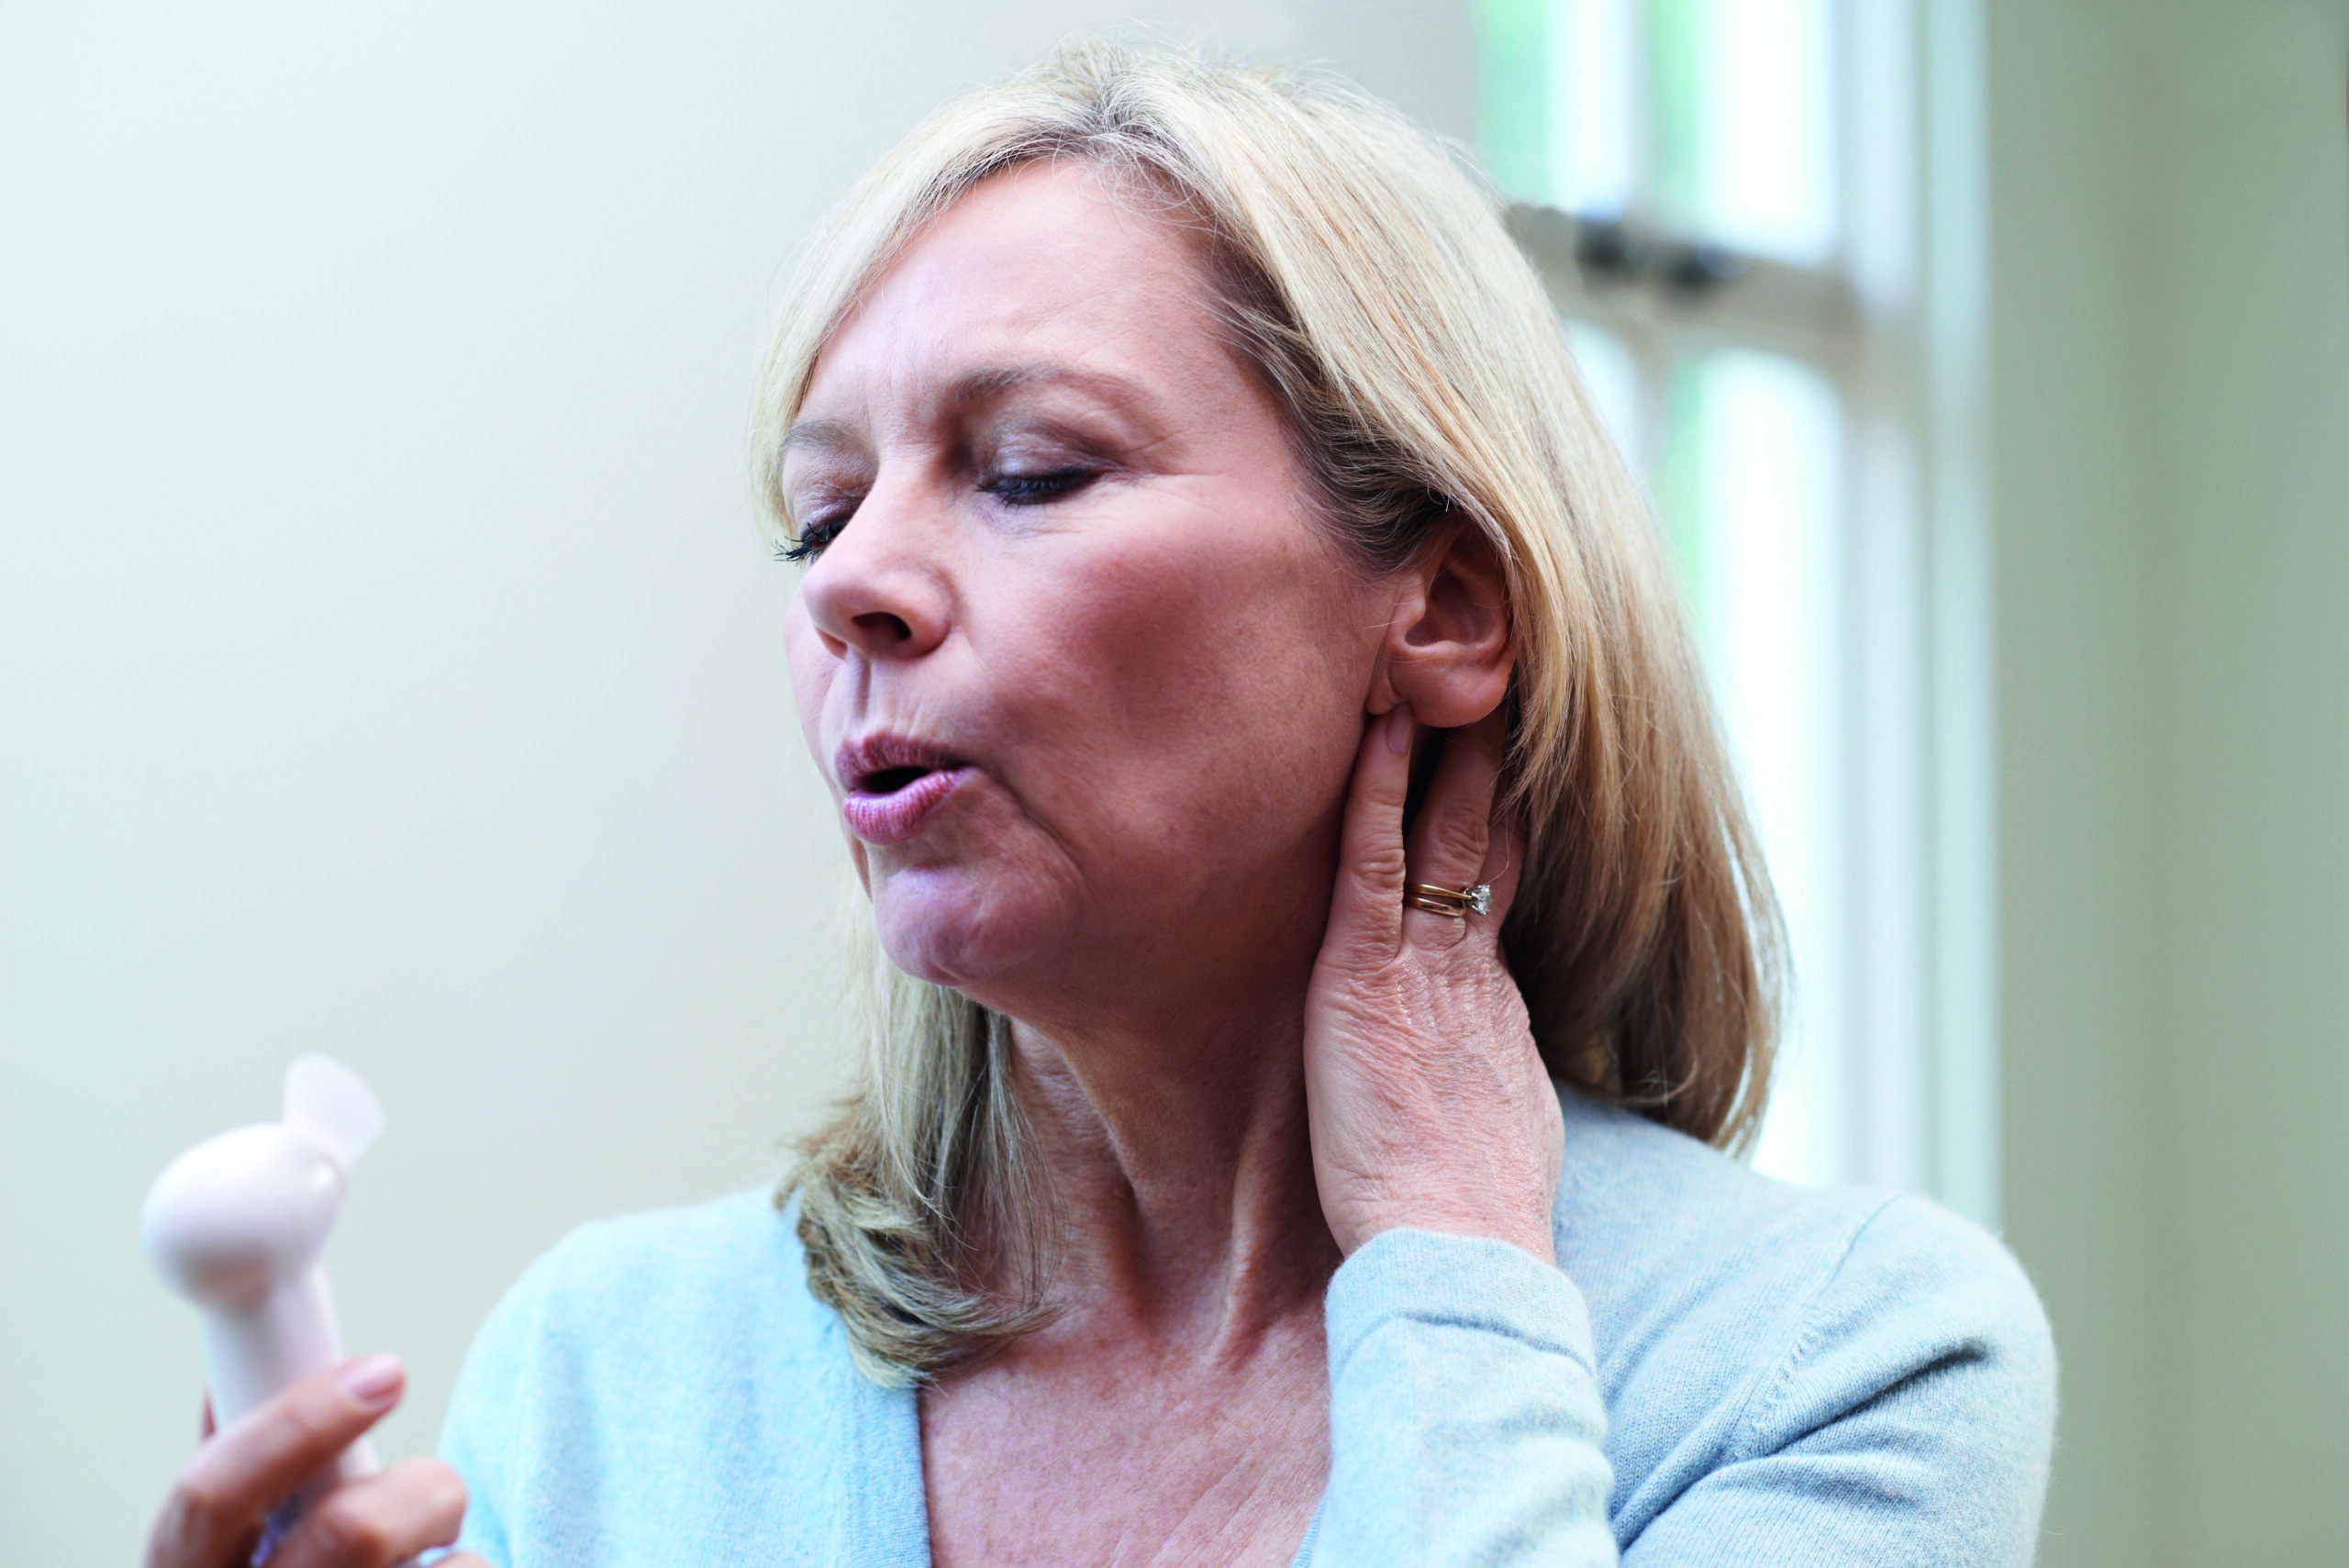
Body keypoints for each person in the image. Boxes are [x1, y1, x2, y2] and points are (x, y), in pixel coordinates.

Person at [144, 43, 2055, 1568]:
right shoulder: (607, 1373)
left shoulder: (1837, 1362)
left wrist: (1455, 1277)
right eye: (817, 512)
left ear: (1443, 606)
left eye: (1035, 469)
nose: (845, 583)